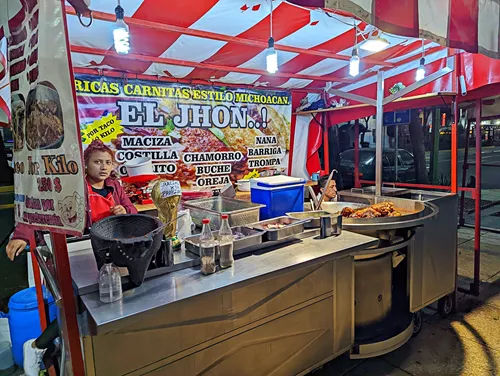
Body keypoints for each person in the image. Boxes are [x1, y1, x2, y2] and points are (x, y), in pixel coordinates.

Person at [5, 140, 137, 376]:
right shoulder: (73, 186)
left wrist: (125, 212)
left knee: (106, 299)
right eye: (97, 162)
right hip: (77, 252)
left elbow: (132, 213)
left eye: (108, 162)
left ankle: (99, 347)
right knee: (73, 303)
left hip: (106, 251)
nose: (103, 167)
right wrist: (22, 235)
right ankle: (37, 346)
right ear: (85, 165)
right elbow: (41, 207)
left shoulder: (115, 187)